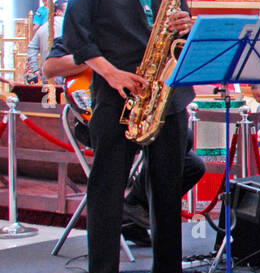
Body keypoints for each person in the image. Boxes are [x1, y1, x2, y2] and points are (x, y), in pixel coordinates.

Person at [60, 0, 196, 273]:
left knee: (168, 185)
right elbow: (77, 34)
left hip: (165, 93)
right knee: (107, 187)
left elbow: (179, 31)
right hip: (116, 89)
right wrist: (112, 73)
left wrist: (185, 24)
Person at [43, 35, 205, 247]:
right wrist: (97, 60)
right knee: (176, 141)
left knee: (193, 163)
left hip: (137, 112)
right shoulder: (81, 31)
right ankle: (129, 214)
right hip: (102, 117)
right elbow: (50, 68)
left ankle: (131, 210)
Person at [24, 0, 65, 81]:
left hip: (47, 74)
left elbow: (31, 48)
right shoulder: (69, 26)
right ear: (58, 12)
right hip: (67, 74)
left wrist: (35, 70)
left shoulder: (43, 27)